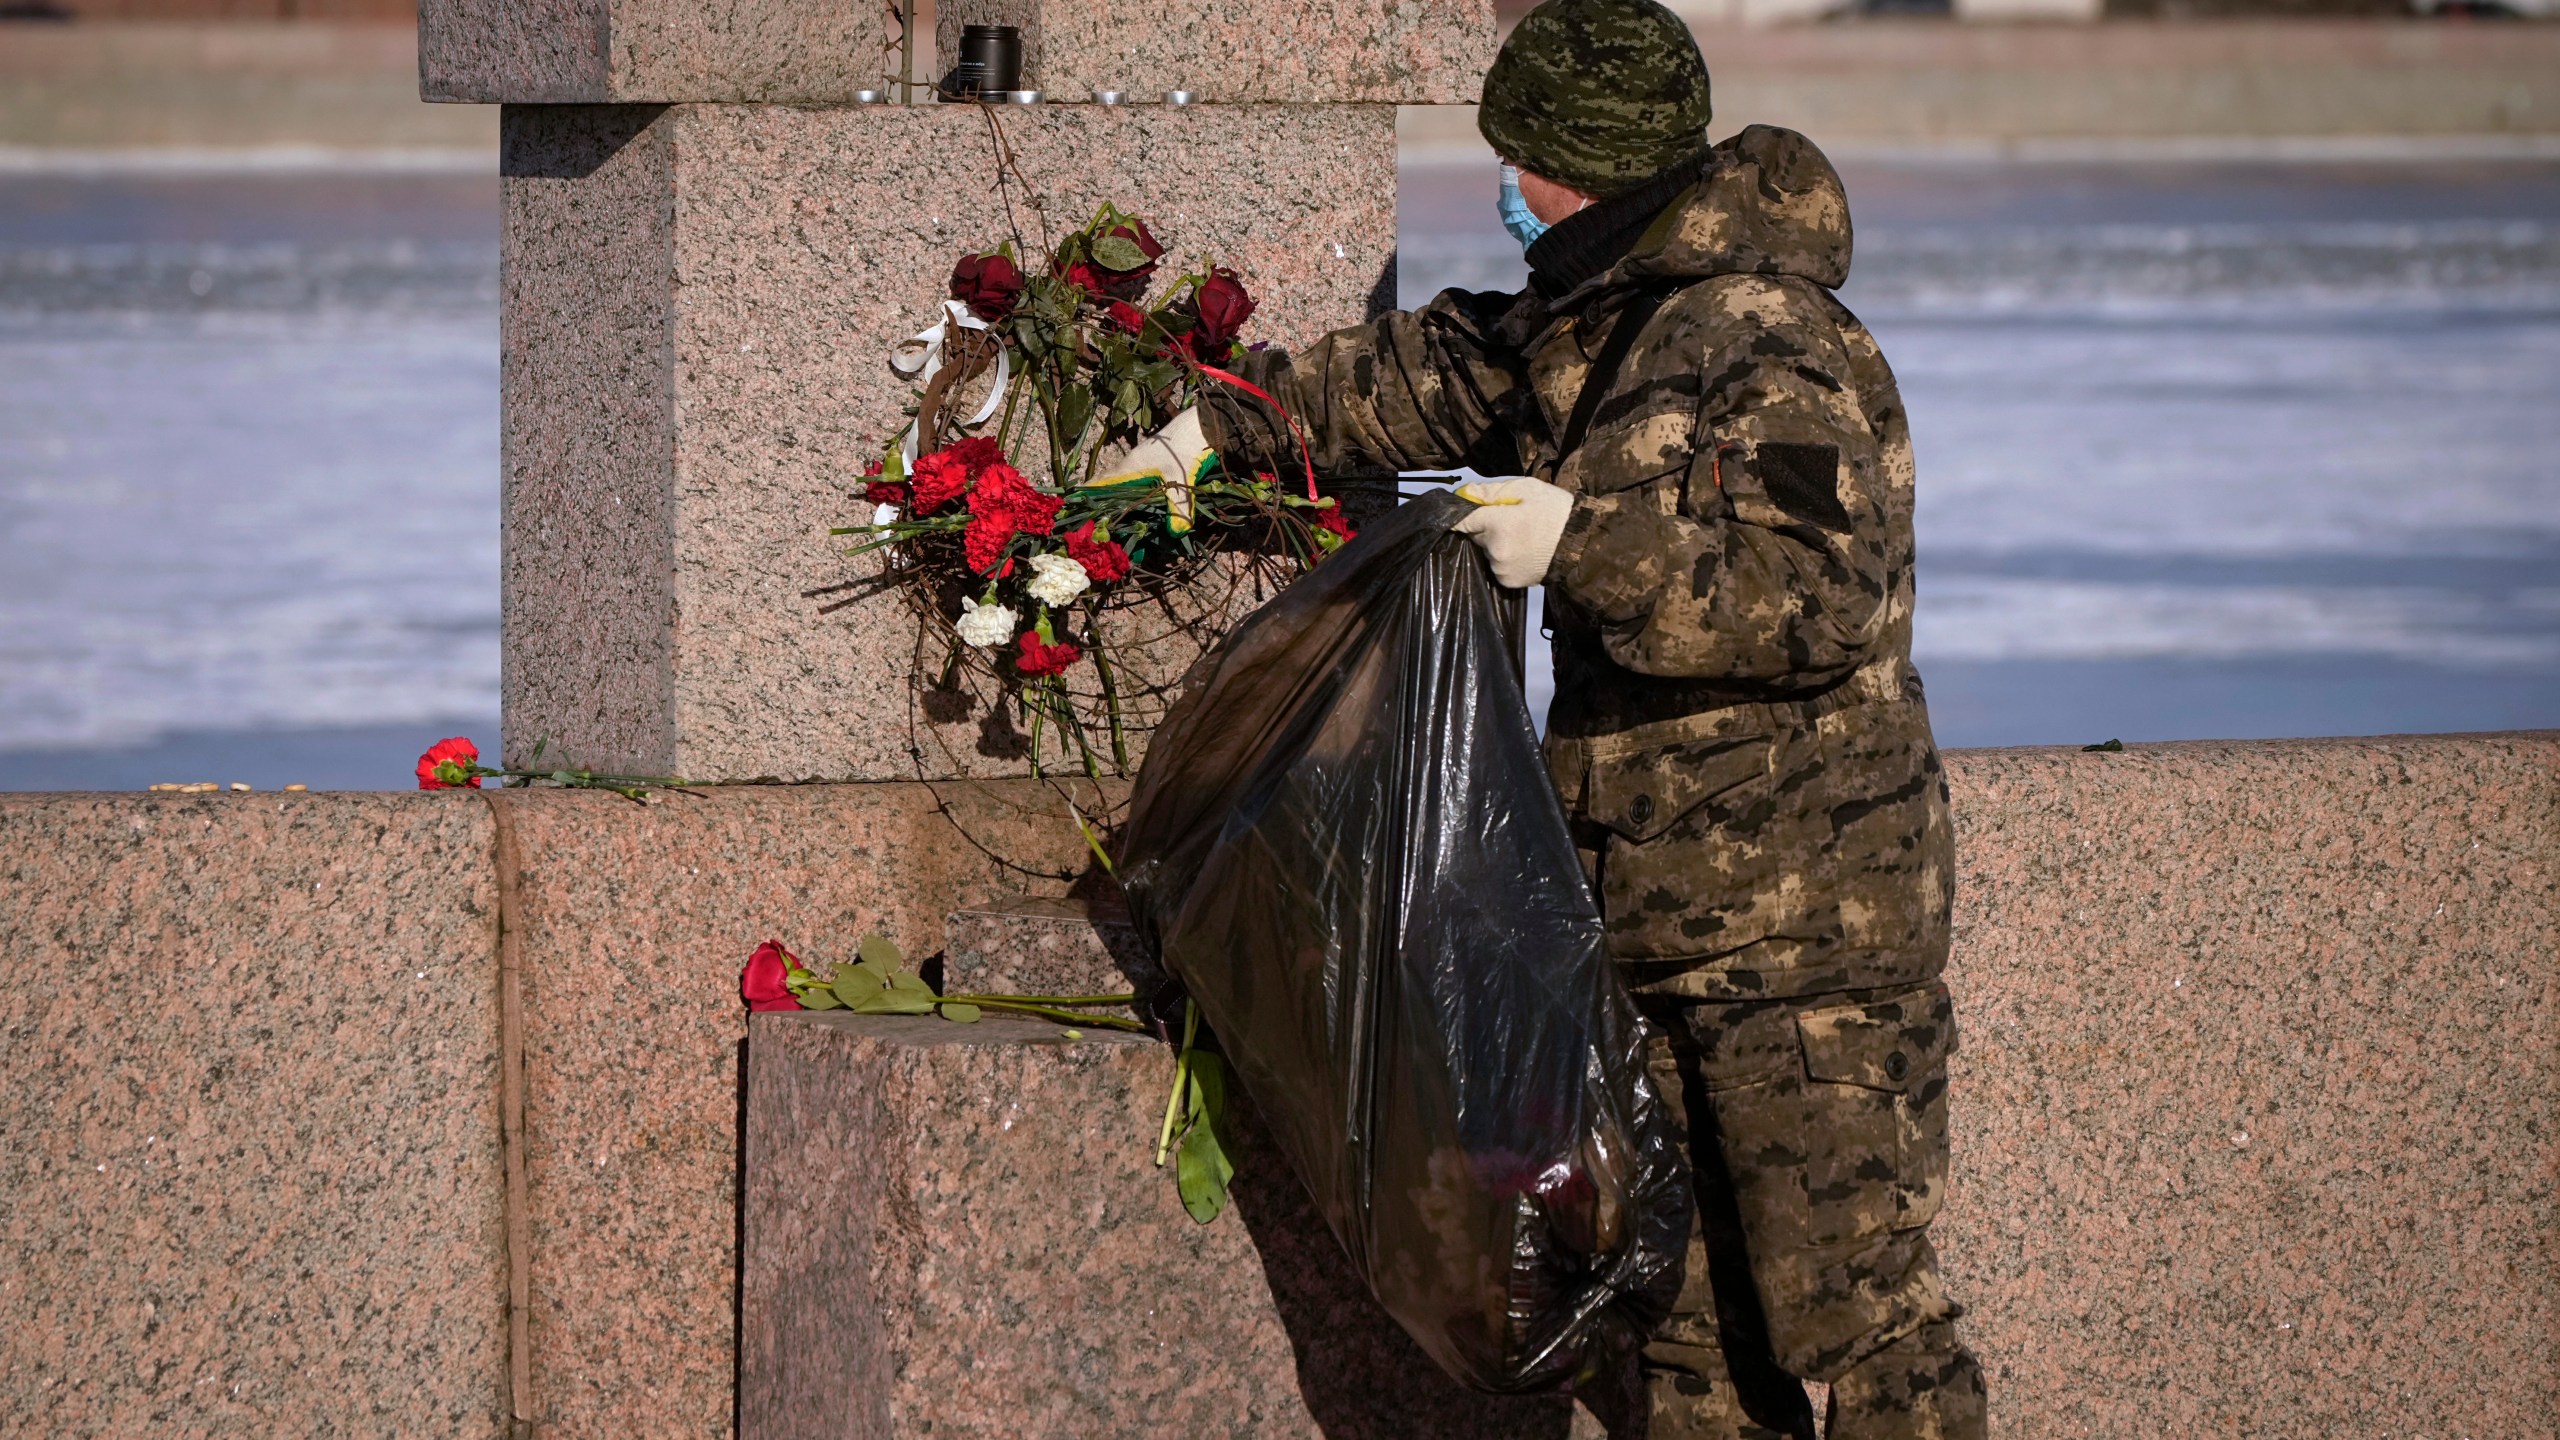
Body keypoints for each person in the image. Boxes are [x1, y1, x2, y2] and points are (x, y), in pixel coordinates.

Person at [1108, 1, 1986, 1435]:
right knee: (1692, 1335)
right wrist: (1216, 428)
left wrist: (1584, 542)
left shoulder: (1772, 336)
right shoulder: (1580, 316)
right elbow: (1410, 382)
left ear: (1584, 163)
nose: (1501, 183)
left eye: (1518, 157)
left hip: (1806, 937)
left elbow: (1815, 594)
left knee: (1858, 1321)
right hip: (1640, 926)